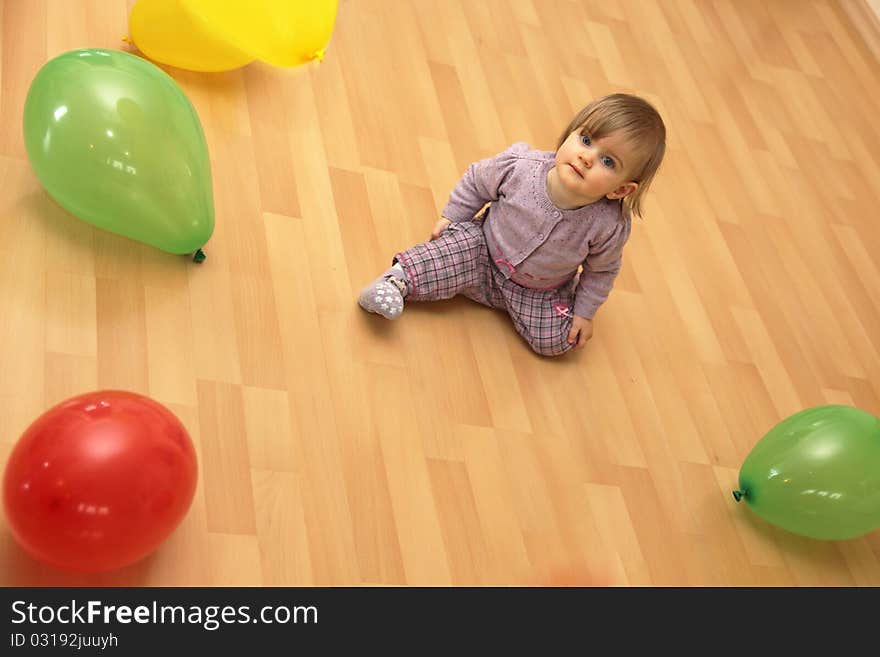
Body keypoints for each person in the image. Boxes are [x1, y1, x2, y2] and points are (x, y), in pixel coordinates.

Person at [358, 93, 666, 357]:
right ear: (570, 133)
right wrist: (453, 216)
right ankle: (395, 282)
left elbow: (602, 270)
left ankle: (500, 299)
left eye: (608, 161)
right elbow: (477, 181)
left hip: (537, 291)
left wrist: (584, 313)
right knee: (447, 251)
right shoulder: (521, 168)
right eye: (585, 140)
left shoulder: (608, 226)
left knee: (558, 341)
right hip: (482, 252)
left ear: (621, 190)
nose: (586, 157)